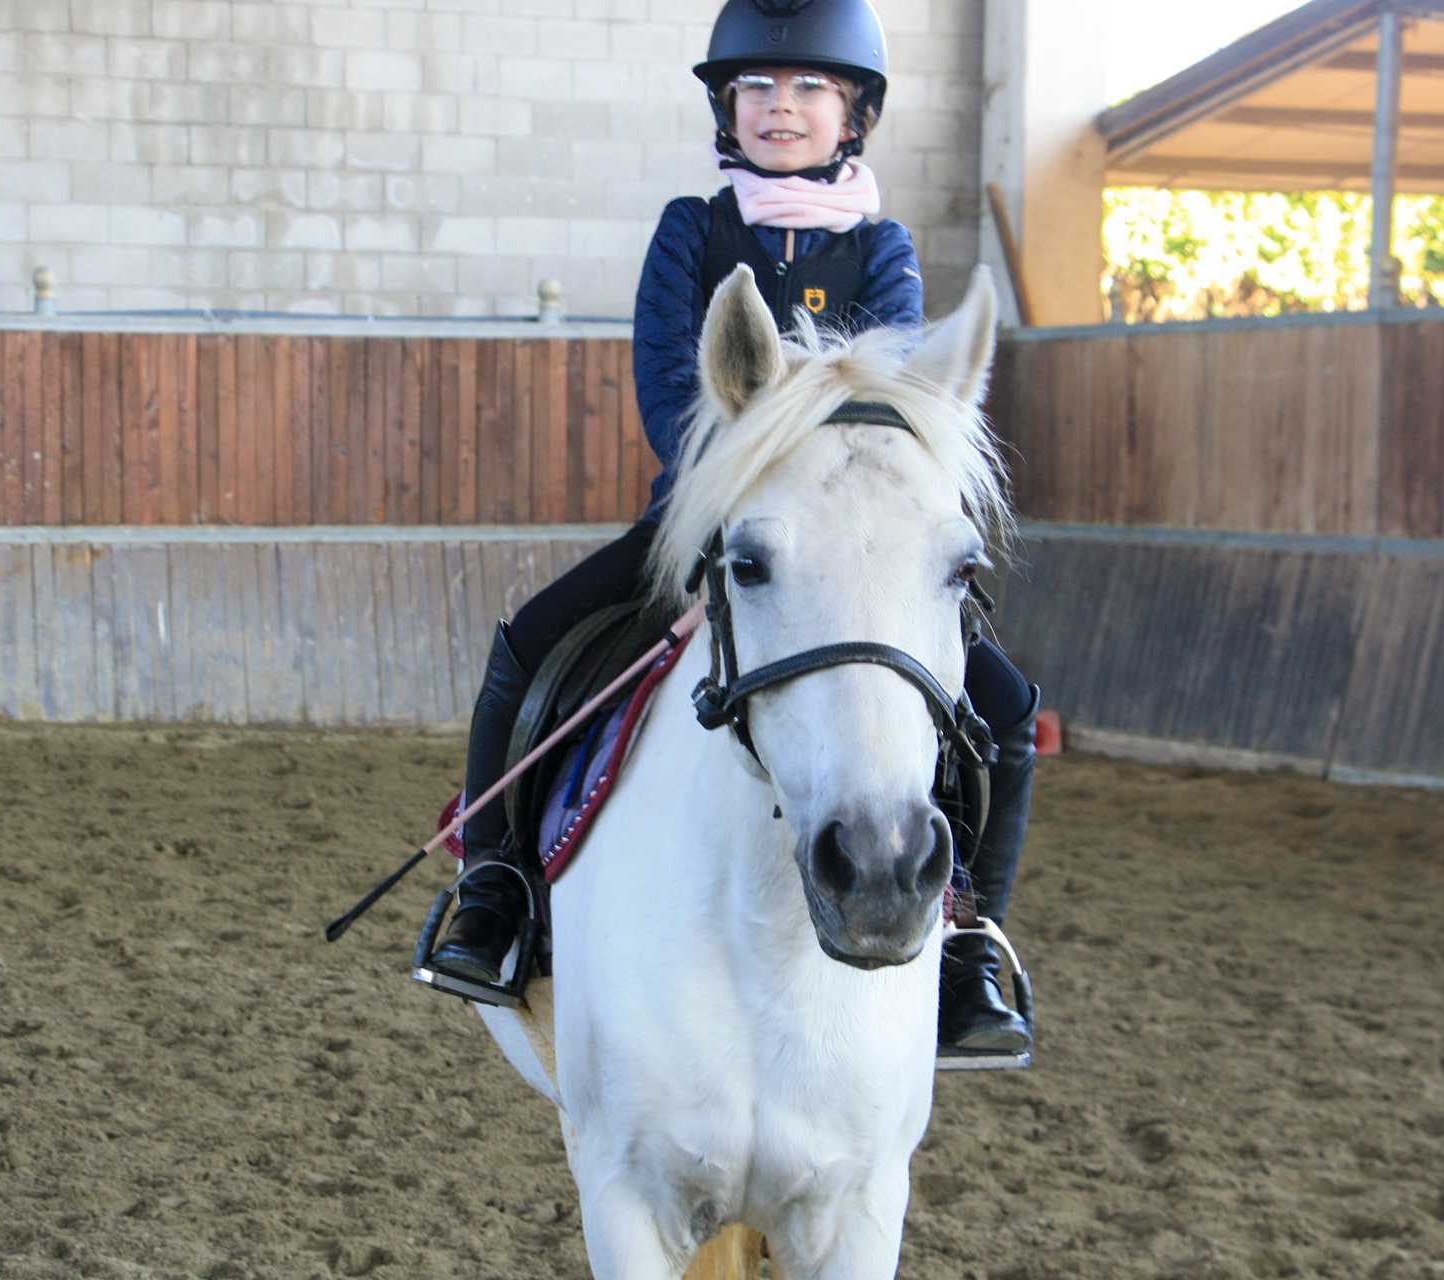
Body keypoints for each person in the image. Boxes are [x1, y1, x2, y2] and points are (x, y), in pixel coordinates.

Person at [423, 0, 1036, 1057]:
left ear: (854, 113)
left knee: (1008, 711)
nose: (779, 107)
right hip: (704, 522)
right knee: (524, 649)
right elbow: (671, 390)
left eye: (807, 88)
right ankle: (495, 887)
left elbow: (890, 400)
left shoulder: (883, 248)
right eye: (756, 87)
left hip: (843, 545)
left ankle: (970, 936)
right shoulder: (691, 231)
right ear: (727, 107)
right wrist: (726, 524)